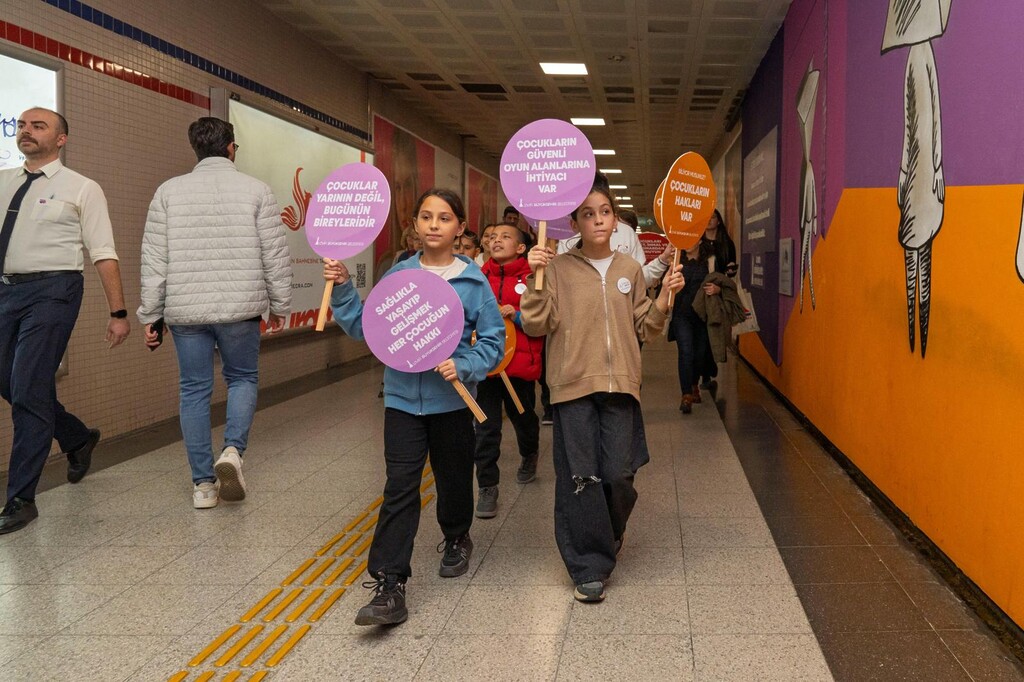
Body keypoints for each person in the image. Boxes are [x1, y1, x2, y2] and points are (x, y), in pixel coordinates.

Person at [324, 188, 503, 627]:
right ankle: (389, 582)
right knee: (400, 487)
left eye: (444, 218)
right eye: (426, 217)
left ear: (460, 228)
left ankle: (457, 535)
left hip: (452, 403)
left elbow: (496, 344)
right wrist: (345, 288)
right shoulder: (399, 276)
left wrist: (465, 364)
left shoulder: (474, 282)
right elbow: (367, 329)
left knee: (454, 478)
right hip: (403, 401)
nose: (434, 225)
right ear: (417, 225)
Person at [521, 174, 683, 603]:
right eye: (588, 214)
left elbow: (645, 327)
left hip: (622, 386)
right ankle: (588, 566)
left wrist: (664, 298)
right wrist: (536, 277)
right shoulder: (556, 269)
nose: (597, 220)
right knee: (581, 478)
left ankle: (609, 531)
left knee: (619, 474)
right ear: (575, 222)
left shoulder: (630, 269)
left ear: (616, 223)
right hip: (572, 387)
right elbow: (537, 324)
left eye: (605, 212)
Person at [137, 117, 292, 509]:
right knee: (242, 379)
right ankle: (233, 452)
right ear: (231, 148)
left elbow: (154, 259)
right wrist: (280, 304)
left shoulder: (168, 192)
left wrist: (150, 315)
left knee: (194, 390)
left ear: (196, 150)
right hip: (240, 309)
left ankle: (203, 486)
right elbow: (274, 254)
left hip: (186, 312)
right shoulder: (256, 190)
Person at [0, 108, 130, 534]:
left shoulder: (82, 188)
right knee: (16, 384)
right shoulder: (3, 181)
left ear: (61, 140)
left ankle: (21, 497)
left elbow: (103, 251)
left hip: (54, 290)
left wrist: (118, 313)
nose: (26, 132)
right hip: (5, 289)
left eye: (38, 126)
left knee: (29, 387)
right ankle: (75, 437)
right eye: (21, 125)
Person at [474, 225, 543, 518]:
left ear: (520, 248)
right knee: (486, 427)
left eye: (505, 237)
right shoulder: (477, 277)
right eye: (492, 237)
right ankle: (487, 486)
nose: (496, 240)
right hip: (486, 366)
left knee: (523, 418)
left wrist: (515, 314)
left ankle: (529, 454)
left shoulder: (533, 276)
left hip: (518, 365)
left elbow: (542, 320)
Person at [668, 241, 713, 414]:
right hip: (681, 314)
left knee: (699, 354)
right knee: (686, 351)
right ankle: (686, 394)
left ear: (700, 240)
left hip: (702, 315)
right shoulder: (677, 260)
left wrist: (716, 288)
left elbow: (721, 280)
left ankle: (694, 383)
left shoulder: (709, 260)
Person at [700, 209, 737, 277]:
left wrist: (731, 269)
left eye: (713, 217)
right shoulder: (698, 243)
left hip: (720, 284)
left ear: (719, 221)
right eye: (706, 217)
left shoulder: (727, 243)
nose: (709, 220)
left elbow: (732, 272)